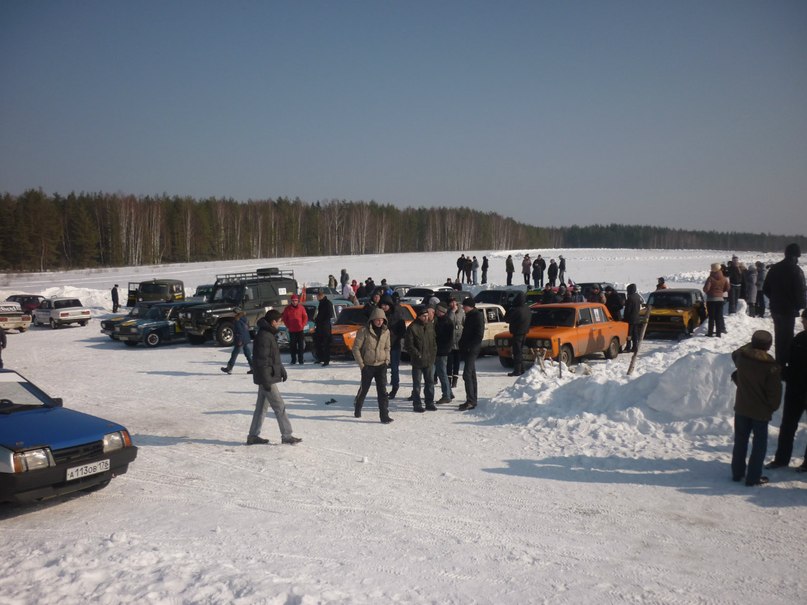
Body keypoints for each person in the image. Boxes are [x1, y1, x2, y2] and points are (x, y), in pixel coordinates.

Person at [730, 330, 781, 486]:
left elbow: (735, 352)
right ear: (769, 345)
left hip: (742, 407)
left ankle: (737, 473)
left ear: (752, 343)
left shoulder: (742, 358)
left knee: (740, 440)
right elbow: (775, 393)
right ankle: (753, 477)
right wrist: (771, 407)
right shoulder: (771, 365)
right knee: (759, 445)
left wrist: (752, 344)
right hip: (760, 411)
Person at [247, 309, 302, 445]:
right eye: (279, 321)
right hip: (267, 378)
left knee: (261, 408)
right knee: (280, 406)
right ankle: (287, 435)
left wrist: (281, 369)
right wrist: (266, 380)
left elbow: (273, 357)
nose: (280, 323)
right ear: (273, 322)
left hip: (266, 376)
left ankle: (253, 436)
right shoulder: (265, 336)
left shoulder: (268, 334)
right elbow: (261, 361)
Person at [767, 309, 807, 472]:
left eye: (805, 320)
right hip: (795, 389)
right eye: (803, 320)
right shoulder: (798, 339)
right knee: (788, 426)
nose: (803, 322)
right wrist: (785, 374)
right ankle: (781, 459)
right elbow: (786, 360)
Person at [763, 243, 806, 367]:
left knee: (779, 336)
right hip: (788, 310)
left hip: (776, 308)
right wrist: (800, 305)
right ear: (795, 256)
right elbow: (801, 291)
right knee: (787, 338)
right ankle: (785, 366)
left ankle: (779, 362)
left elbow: (766, 288)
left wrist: (775, 299)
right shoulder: (796, 271)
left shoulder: (775, 268)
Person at [352, 307, 393, 423]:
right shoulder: (363, 331)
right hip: (368, 366)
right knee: (364, 389)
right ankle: (358, 406)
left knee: (382, 392)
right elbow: (355, 349)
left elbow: (387, 347)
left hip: (381, 365)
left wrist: (387, 360)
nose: (379, 322)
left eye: (381, 319)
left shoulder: (386, 332)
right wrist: (362, 365)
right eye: (377, 319)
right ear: (372, 320)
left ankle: (384, 415)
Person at [405, 306, 437, 412]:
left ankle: (429, 402)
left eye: (427, 316)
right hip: (417, 361)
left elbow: (433, 342)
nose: (426, 318)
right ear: (419, 317)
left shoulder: (430, 326)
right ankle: (417, 404)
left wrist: (433, 354)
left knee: (430, 382)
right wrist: (417, 354)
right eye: (424, 316)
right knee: (417, 384)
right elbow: (409, 345)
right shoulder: (412, 327)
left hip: (429, 360)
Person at [458, 298, 484, 411]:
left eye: (464, 306)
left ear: (470, 306)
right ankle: (473, 399)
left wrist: (470, 346)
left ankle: (471, 400)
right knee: (471, 374)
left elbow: (479, 335)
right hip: (468, 348)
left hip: (472, 349)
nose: (463, 308)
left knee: (467, 375)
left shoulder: (477, 316)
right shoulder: (470, 315)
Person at [380, 295, 406, 399]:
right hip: (381, 346)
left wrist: (393, 334)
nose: (384, 306)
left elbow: (403, 331)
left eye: (386, 305)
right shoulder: (379, 315)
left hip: (394, 345)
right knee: (382, 368)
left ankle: (395, 387)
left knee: (394, 368)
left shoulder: (397, 315)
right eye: (382, 304)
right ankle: (382, 388)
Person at [505, 292, 531, 376]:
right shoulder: (527, 308)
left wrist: (509, 309)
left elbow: (507, 319)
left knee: (517, 352)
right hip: (524, 332)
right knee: (519, 352)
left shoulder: (516, 310)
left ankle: (517, 370)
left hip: (517, 333)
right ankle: (521, 369)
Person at [434, 302, 455, 403]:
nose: (436, 312)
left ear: (441, 311)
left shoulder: (445, 322)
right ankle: (449, 392)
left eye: (437, 310)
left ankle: (446, 395)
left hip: (442, 351)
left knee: (442, 373)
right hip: (442, 350)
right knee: (443, 373)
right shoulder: (442, 320)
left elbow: (444, 338)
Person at [281, 294, 309, 365]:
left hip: (300, 330)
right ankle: (293, 360)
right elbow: (284, 318)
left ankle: (301, 360)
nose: (294, 302)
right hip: (292, 330)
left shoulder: (301, 308)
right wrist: (288, 326)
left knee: (301, 346)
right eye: (293, 301)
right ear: (291, 301)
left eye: (296, 300)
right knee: (292, 346)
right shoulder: (287, 308)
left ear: (298, 301)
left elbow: (305, 317)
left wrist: (302, 325)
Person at [704, 262, 729, 337]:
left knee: (711, 317)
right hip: (720, 299)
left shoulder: (710, 278)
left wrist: (707, 290)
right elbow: (727, 288)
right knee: (718, 316)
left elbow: (706, 289)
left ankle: (710, 333)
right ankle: (718, 333)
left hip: (711, 300)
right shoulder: (724, 278)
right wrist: (720, 292)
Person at [447, 295, 464, 389]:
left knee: (457, 362)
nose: (453, 304)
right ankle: (448, 379)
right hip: (450, 341)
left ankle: (455, 380)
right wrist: (452, 312)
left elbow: (464, 323)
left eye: (454, 302)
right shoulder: (448, 312)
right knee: (449, 362)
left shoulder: (461, 311)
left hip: (458, 340)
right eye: (451, 302)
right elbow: (449, 321)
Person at [314, 289, 334, 366]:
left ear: (321, 295)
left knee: (326, 344)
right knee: (318, 343)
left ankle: (326, 360)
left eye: (318, 296)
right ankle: (320, 358)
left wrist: (321, 319)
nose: (317, 297)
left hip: (325, 327)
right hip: (319, 326)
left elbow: (330, 314)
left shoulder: (327, 303)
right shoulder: (320, 303)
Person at [622, 284, 642, 353]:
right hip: (636, 318)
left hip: (630, 319)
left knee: (629, 334)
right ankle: (635, 346)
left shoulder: (630, 298)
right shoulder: (637, 296)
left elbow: (628, 310)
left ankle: (628, 346)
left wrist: (625, 318)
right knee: (635, 333)